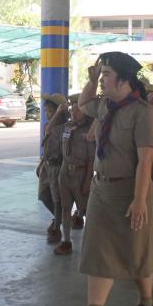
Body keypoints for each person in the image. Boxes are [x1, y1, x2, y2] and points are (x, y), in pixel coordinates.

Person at [71, 52, 153, 306]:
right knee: (98, 252)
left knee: (137, 252)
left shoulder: (143, 113)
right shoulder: (105, 106)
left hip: (131, 191)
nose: (102, 79)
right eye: (102, 74)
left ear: (123, 79)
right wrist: (92, 79)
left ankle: (146, 304)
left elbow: (146, 160)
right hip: (102, 190)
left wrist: (139, 200)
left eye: (107, 74)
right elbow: (83, 104)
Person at [55, 94, 94, 255]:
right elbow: (49, 130)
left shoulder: (90, 130)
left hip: (81, 172)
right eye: (72, 109)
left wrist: (87, 181)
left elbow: (91, 159)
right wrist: (59, 112)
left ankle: (92, 244)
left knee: (85, 209)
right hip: (65, 172)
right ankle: (66, 241)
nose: (74, 112)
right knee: (65, 207)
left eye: (78, 109)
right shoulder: (67, 127)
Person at [37, 93, 67, 243]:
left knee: (57, 199)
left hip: (57, 166)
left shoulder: (64, 127)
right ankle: (59, 217)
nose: (48, 115)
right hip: (47, 165)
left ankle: (57, 228)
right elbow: (47, 131)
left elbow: (49, 130)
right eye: (46, 111)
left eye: (51, 111)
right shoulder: (48, 125)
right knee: (43, 195)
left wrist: (59, 113)